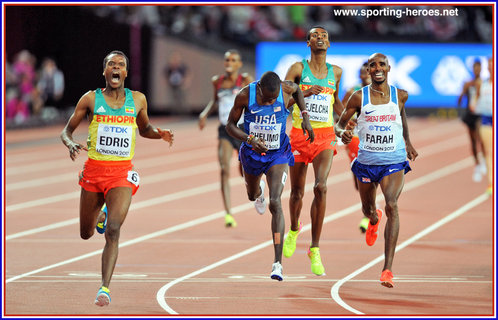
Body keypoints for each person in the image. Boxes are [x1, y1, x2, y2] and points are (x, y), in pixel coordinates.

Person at [60, 50, 174, 306]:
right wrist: (70, 143)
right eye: (111, 64)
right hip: (93, 172)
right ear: (104, 71)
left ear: (125, 72)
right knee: (86, 233)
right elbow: (66, 131)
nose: (115, 68)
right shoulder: (90, 99)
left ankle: (104, 288)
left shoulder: (138, 100)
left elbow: (144, 129)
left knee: (113, 230)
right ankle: (100, 214)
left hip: (121, 173)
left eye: (120, 65)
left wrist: (160, 134)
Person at [335, 53, 418, 288]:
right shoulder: (358, 97)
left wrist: (408, 142)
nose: (378, 68)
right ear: (368, 70)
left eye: (382, 64)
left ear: (389, 68)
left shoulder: (400, 95)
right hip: (367, 161)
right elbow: (340, 125)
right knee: (368, 208)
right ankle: (373, 218)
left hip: (393, 159)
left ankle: (387, 269)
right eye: (373, 65)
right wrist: (344, 134)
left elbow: (401, 116)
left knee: (392, 204)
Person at [226, 71, 314, 281]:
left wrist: (305, 118)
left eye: (274, 99)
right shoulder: (244, 95)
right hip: (253, 154)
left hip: (278, 154)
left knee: (276, 203)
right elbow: (229, 125)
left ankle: (277, 264)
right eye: (266, 98)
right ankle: (258, 193)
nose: (270, 101)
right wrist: (249, 139)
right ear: (259, 89)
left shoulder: (286, 88)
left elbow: (299, 93)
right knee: (251, 194)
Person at [283, 26, 345, 276]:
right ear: (308, 42)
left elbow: (336, 100)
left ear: (329, 44)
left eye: (325, 36)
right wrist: (304, 92)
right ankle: (294, 229)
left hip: (325, 137)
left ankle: (315, 248)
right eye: (315, 35)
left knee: (321, 186)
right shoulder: (298, 69)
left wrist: (347, 118)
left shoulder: (336, 72)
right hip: (299, 136)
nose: (320, 38)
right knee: (297, 192)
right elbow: (285, 102)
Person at [198, 49, 254, 227]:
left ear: (239, 64)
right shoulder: (218, 82)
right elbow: (215, 101)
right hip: (225, 130)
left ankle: (254, 190)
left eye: (233, 60)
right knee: (224, 169)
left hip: (242, 130)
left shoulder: (245, 80)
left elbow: (255, 101)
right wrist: (204, 114)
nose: (229, 62)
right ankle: (228, 213)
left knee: (245, 169)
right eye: (227, 59)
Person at [341, 61, 372, 233]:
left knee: (370, 175)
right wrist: (346, 122)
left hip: (374, 138)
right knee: (358, 179)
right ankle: (369, 208)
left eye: (369, 71)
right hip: (355, 138)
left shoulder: (380, 93)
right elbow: (341, 109)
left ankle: (368, 214)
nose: (366, 74)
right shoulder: (353, 91)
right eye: (363, 72)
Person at [457, 59, 486, 182]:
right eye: (475, 67)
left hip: (480, 114)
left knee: (481, 138)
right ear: (472, 69)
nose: (476, 70)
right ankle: (477, 165)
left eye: (478, 67)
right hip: (470, 115)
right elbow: (460, 99)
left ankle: (484, 159)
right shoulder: (468, 84)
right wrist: (463, 91)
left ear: (481, 69)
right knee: (473, 142)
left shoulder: (485, 83)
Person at [474, 56, 493, 195]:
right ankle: (491, 183)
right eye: (490, 65)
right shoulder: (483, 84)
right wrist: (474, 105)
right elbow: (475, 101)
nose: (491, 67)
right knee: (488, 152)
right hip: (486, 120)